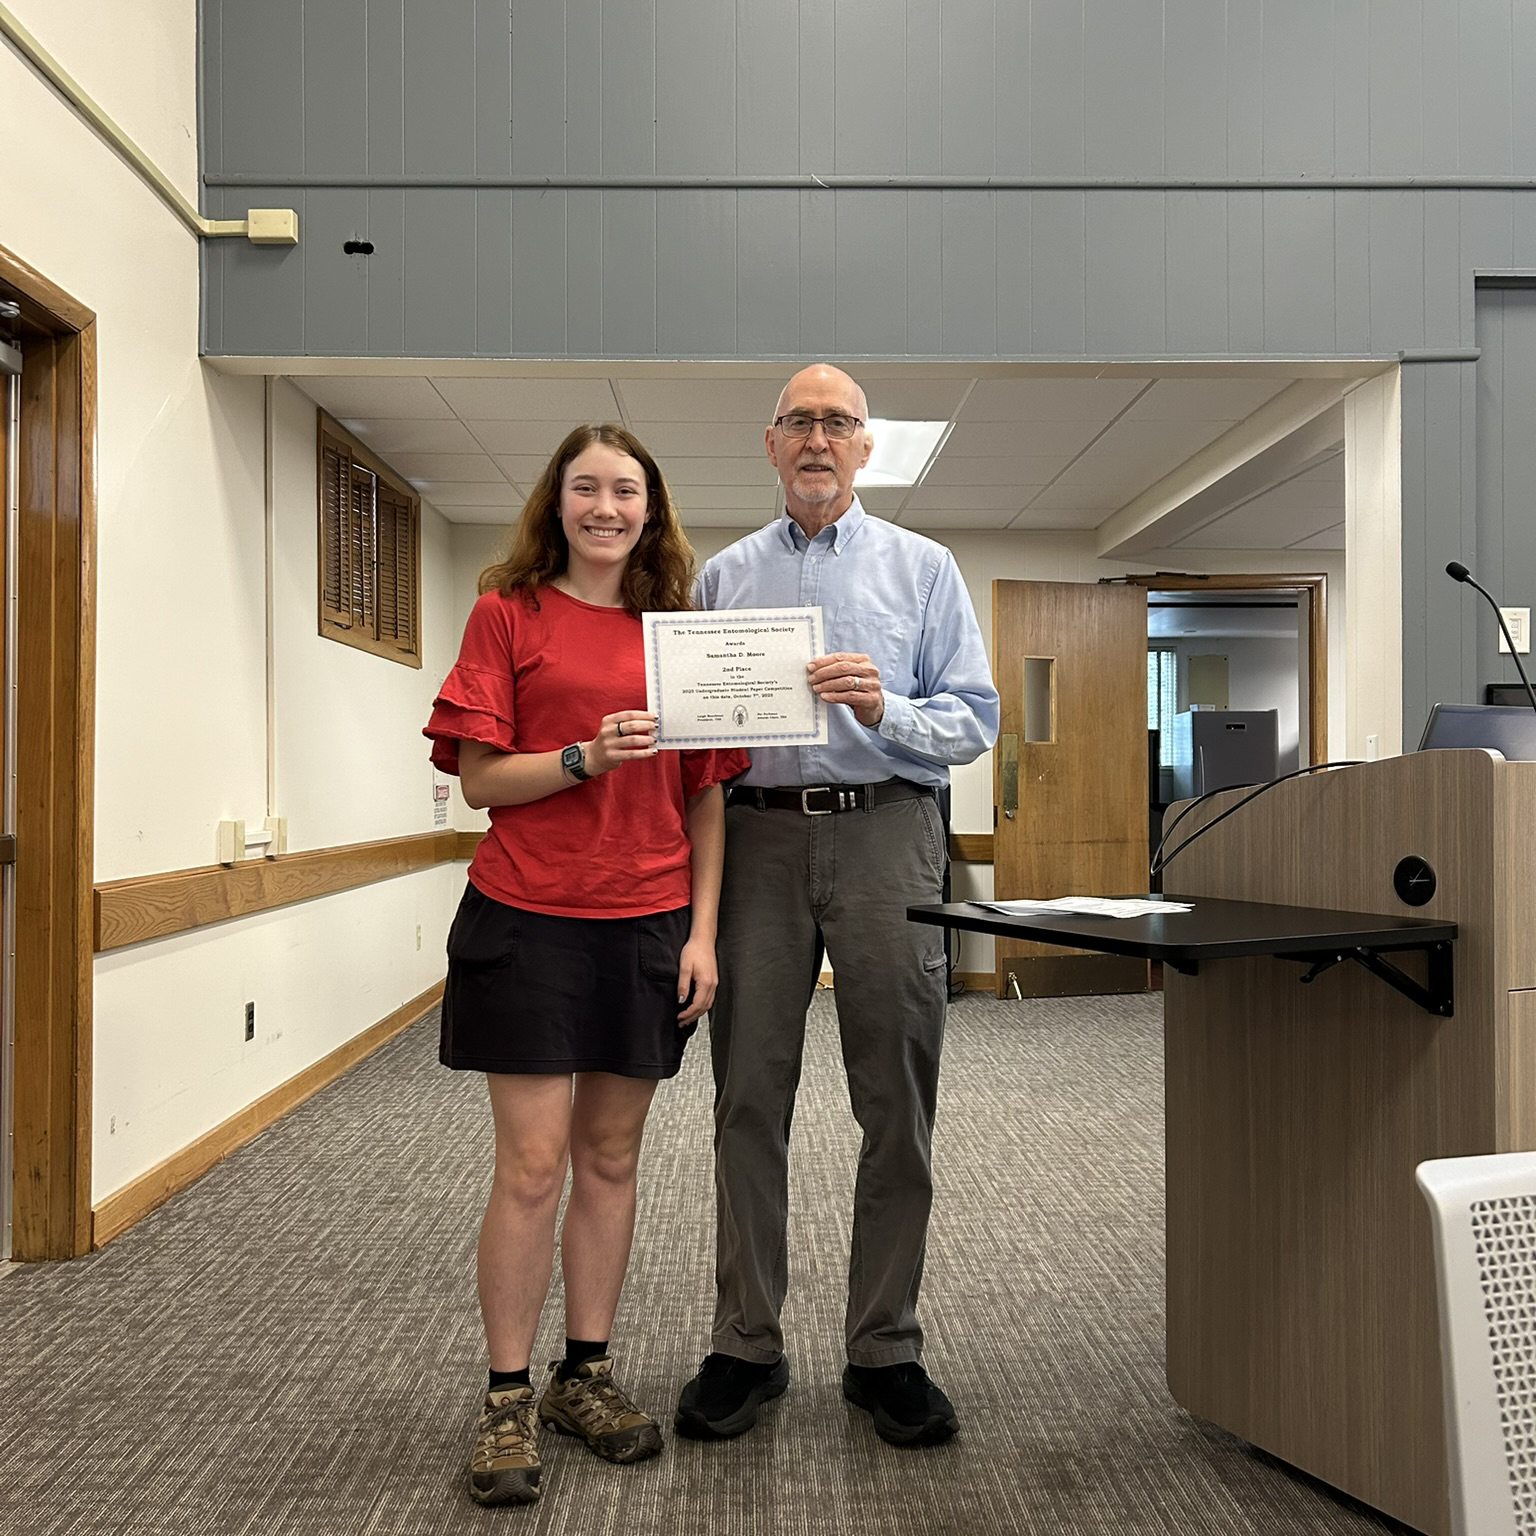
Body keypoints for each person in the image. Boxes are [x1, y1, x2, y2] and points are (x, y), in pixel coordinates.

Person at [674, 365, 1000, 1448]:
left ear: (866, 447)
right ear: (770, 444)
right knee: (745, 1095)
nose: (818, 439)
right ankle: (746, 1343)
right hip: (756, 839)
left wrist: (887, 706)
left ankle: (885, 1349)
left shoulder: (924, 568)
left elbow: (973, 719)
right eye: (800, 422)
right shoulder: (722, 578)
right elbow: (696, 737)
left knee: (896, 1096)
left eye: (839, 423)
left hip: (887, 830)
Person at [424, 423, 748, 1506]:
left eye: (626, 491)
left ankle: (585, 1375)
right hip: (528, 918)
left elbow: (707, 796)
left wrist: (703, 933)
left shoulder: (680, 637)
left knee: (610, 1158)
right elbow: (479, 780)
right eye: (586, 488)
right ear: (555, 503)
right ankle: (506, 1394)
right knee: (531, 1165)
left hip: (648, 921)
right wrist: (583, 757)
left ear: (651, 510)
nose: (606, 507)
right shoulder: (507, 613)